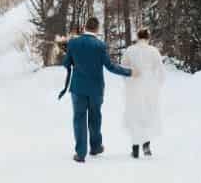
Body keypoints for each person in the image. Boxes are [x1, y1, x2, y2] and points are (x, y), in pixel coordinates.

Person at [62, 17, 135, 163]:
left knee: (79, 119)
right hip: (96, 89)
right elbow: (110, 67)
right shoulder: (100, 45)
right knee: (95, 117)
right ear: (97, 29)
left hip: (77, 88)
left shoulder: (73, 43)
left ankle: (80, 154)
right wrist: (129, 72)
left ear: (84, 27)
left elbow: (67, 63)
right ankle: (95, 147)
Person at [122, 28, 165, 159]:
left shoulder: (130, 50)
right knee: (147, 114)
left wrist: (128, 82)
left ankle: (135, 148)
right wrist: (157, 84)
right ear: (148, 38)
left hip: (134, 86)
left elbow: (124, 68)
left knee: (135, 115)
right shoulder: (153, 51)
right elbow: (161, 71)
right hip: (149, 87)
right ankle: (146, 145)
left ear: (137, 37)